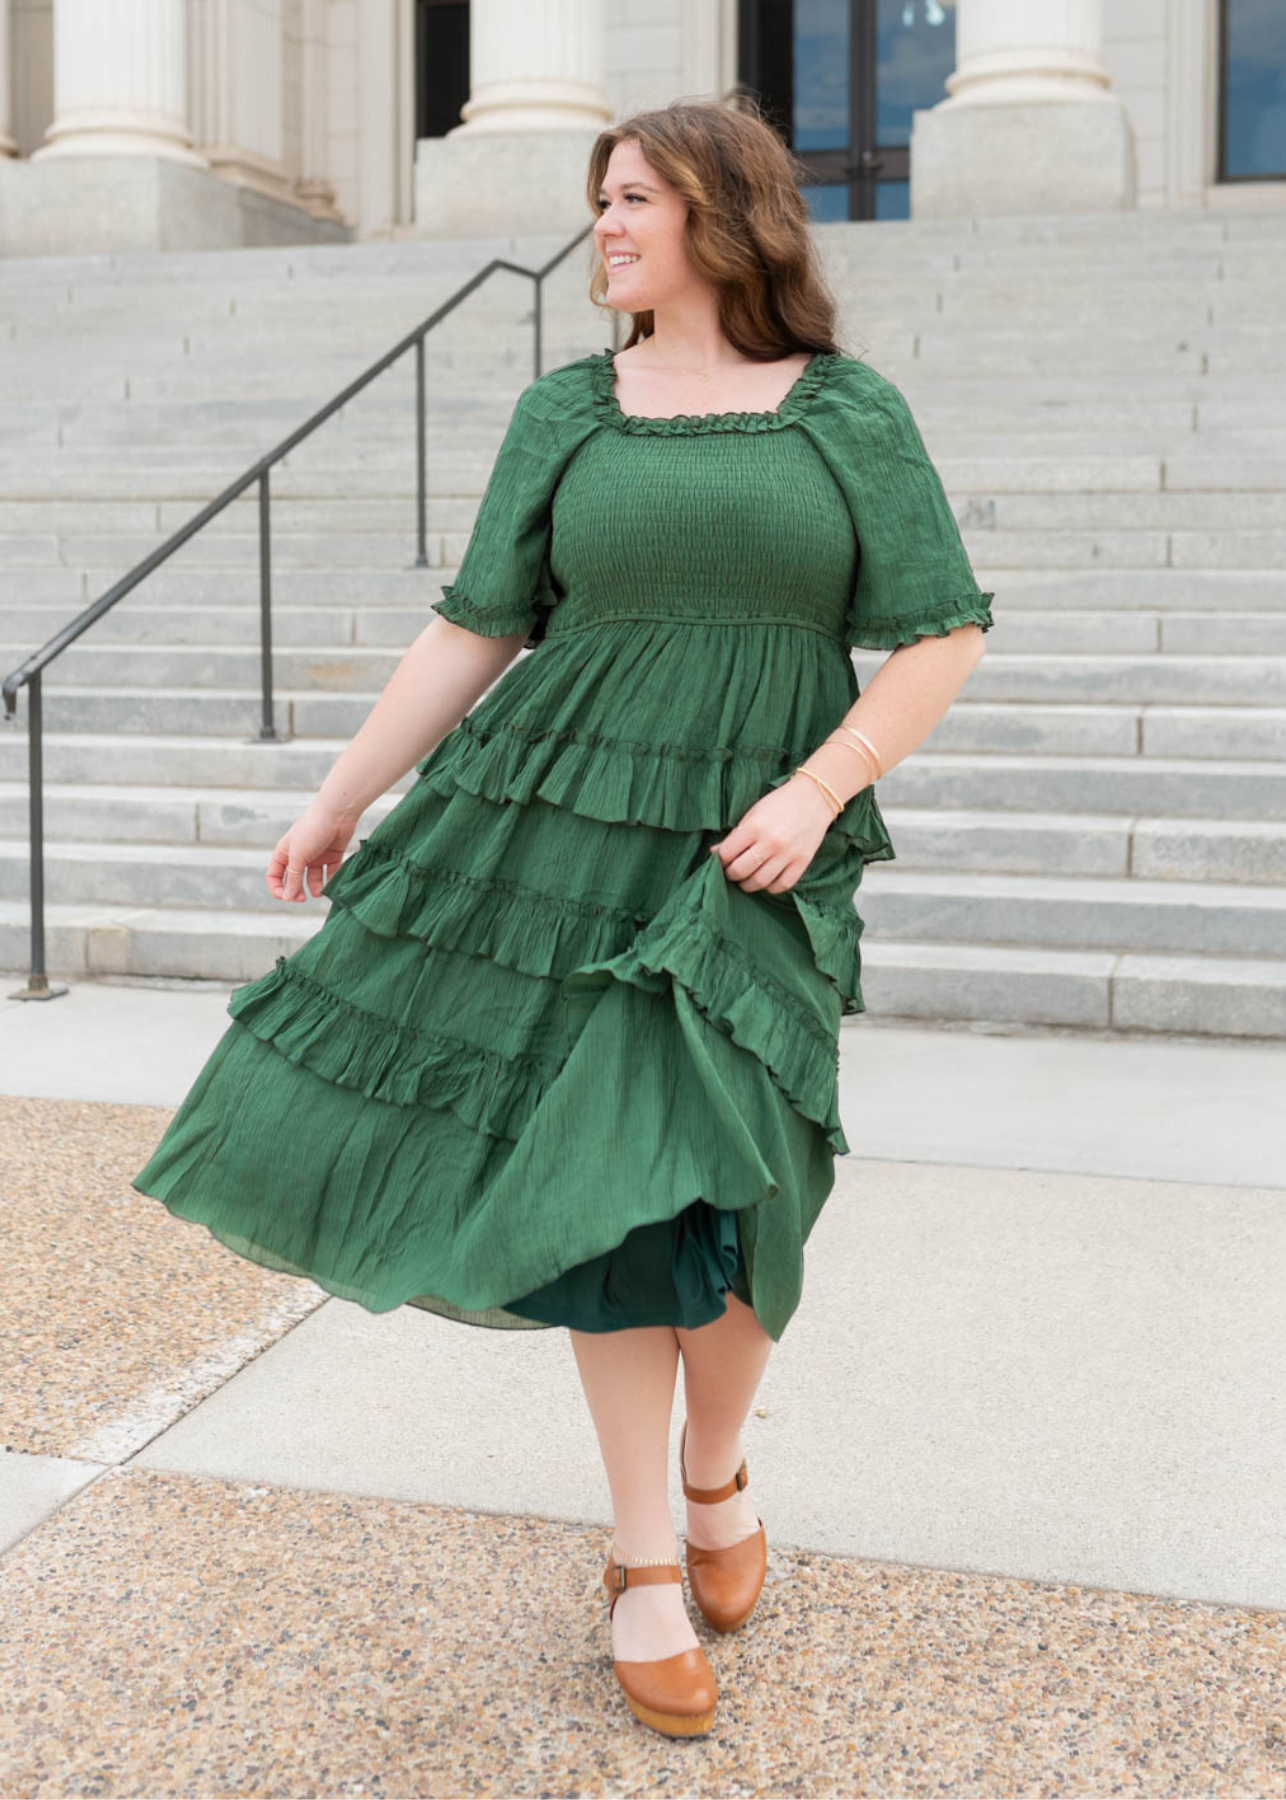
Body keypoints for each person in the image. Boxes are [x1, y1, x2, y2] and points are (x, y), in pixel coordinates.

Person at [132, 95, 994, 1739]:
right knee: (609, 1197)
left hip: (754, 846)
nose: (600, 229)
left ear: (722, 216)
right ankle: (644, 1557)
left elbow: (940, 632)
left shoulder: (844, 413)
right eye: (597, 200)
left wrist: (820, 790)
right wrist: (340, 796)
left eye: (631, 202)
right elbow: (475, 628)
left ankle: (718, 1467)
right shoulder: (565, 409)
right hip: (556, 836)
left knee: (751, 1187)